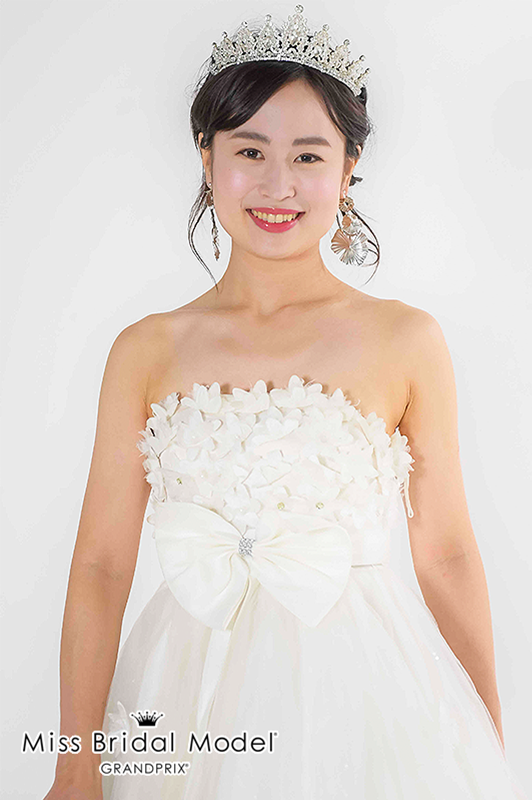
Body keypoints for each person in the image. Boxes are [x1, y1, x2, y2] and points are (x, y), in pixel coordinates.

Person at [43, 6, 527, 799]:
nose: (278, 185)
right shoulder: (146, 350)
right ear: (207, 158)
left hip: (369, 694)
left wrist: (484, 740)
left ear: (349, 166)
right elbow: (101, 565)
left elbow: (445, 553)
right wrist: (74, 762)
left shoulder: (404, 340)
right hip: (184, 692)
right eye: (249, 151)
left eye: (308, 155)